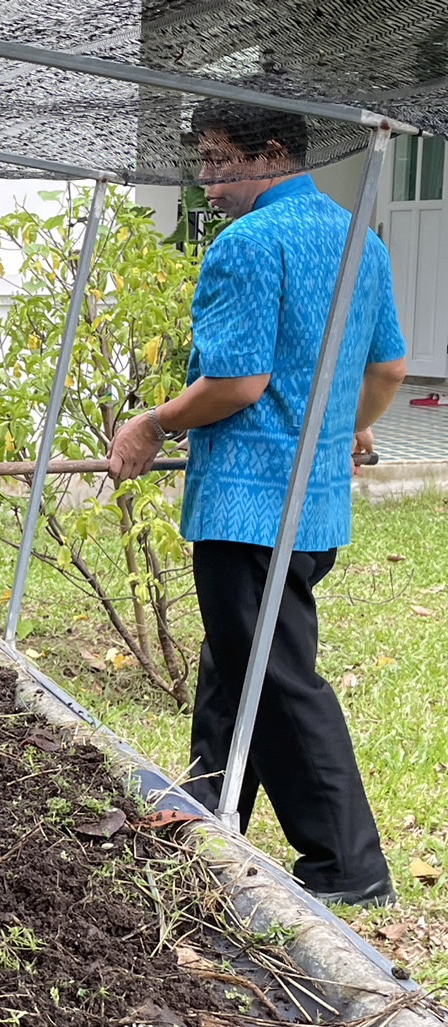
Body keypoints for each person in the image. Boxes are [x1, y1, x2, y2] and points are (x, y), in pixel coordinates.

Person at [107, 101, 408, 907]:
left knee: (274, 675)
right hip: (311, 509)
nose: (205, 182)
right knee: (235, 655)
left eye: (216, 160)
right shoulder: (359, 240)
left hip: (248, 507)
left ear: (271, 153)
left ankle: (348, 866)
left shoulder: (245, 243)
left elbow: (237, 383)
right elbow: (387, 368)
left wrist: (150, 423)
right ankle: (209, 807)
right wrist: (343, 425)